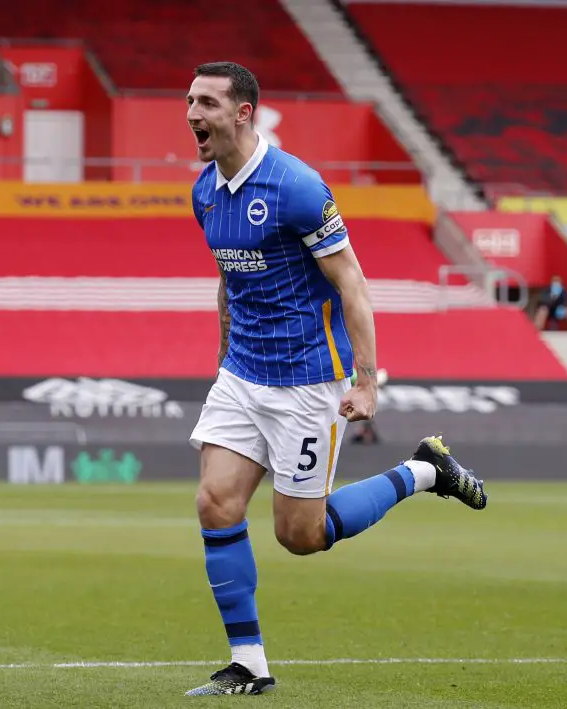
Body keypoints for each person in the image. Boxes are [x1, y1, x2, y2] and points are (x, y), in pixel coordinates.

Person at [184, 62, 487, 696]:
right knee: (215, 501)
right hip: (243, 373)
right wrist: (221, 357)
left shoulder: (296, 186)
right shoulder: (205, 191)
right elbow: (228, 279)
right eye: (189, 101)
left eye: (206, 103)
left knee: (301, 536)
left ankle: (423, 471)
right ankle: (249, 664)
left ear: (243, 113)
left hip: (305, 381)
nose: (192, 114)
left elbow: (351, 282)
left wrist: (366, 382)